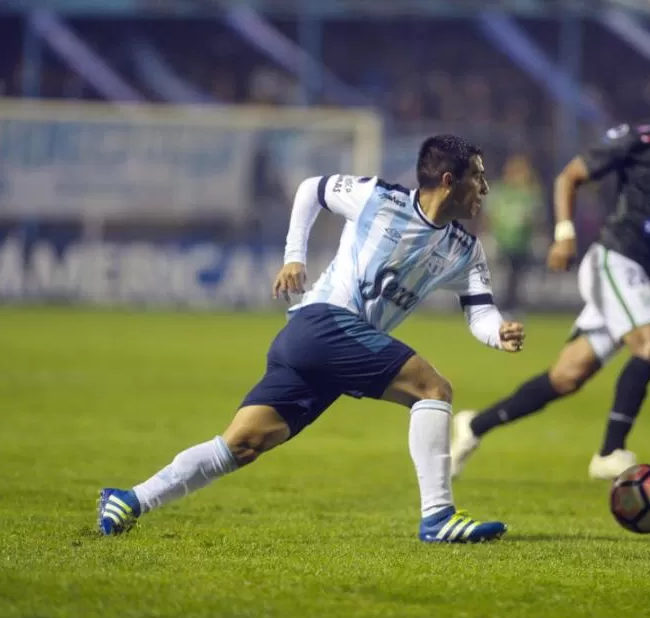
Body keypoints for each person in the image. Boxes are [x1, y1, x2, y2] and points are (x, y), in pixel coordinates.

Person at [98, 135, 526, 543]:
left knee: (242, 445)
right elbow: (311, 189)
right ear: (449, 180)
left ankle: (130, 499)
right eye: (479, 177)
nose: (486, 188)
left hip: (318, 346)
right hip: (323, 323)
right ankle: (438, 517)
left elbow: (481, 312)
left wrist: (497, 333)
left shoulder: (465, 249)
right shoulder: (379, 198)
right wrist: (293, 258)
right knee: (433, 388)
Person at [450, 55, 650, 481]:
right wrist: (565, 233)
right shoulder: (637, 139)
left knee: (567, 376)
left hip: (643, 276)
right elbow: (569, 177)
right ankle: (610, 452)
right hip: (614, 259)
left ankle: (474, 426)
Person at [483, 153, 544, 314]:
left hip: (521, 244)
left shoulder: (529, 193)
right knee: (502, 278)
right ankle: (498, 307)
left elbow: (536, 218)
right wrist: (487, 237)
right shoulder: (498, 191)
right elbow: (489, 215)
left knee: (516, 278)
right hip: (502, 243)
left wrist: (539, 239)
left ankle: (512, 308)